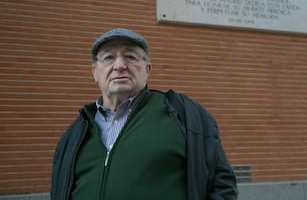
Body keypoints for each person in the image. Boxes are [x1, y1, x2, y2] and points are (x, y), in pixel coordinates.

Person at [50, 28, 238, 200]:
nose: (120, 65)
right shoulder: (75, 133)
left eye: (131, 57)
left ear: (147, 69)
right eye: (108, 58)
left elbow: (221, 186)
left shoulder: (183, 115)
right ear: (94, 73)